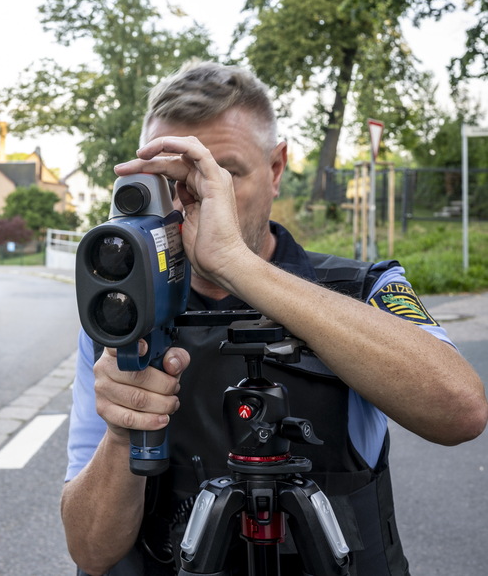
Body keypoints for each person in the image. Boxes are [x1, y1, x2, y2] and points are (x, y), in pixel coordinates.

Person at [61, 61, 488, 576]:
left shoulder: (360, 290)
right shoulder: (123, 319)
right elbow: (90, 551)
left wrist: (235, 265)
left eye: (226, 174)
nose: (192, 198)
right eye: (170, 179)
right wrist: (124, 436)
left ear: (277, 168)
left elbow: (462, 412)